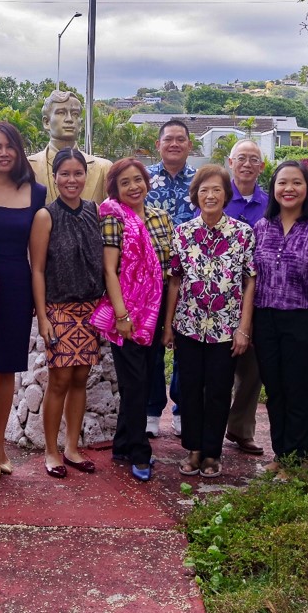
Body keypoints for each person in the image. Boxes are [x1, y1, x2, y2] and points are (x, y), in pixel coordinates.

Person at [162, 164, 256, 478]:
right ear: (196, 195)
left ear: (226, 194)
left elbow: (249, 281)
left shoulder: (243, 234)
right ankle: (194, 450)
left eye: (216, 189)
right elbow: (174, 280)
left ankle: (213, 453)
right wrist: (168, 326)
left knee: (218, 389)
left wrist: (244, 327)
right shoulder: (183, 233)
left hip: (226, 329)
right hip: (188, 325)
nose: (210, 195)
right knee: (189, 388)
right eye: (204, 190)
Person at [253, 161, 308, 470]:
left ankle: (299, 458)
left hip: (304, 320)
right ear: (273, 189)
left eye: (297, 183)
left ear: (307, 190)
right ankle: (282, 454)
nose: (289, 189)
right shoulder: (261, 228)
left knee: (300, 389)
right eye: (282, 183)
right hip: (265, 319)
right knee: (275, 390)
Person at [0, 121, 47, 478]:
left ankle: (1, 440)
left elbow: (38, 259)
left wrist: (38, 302)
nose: (3, 153)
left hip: (17, 285)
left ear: (19, 151)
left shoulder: (36, 192)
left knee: (8, 370)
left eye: (9, 147)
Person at [95, 158, 174, 482]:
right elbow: (110, 270)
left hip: (155, 310)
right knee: (136, 383)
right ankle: (140, 452)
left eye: (137, 180)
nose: (133, 187)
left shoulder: (160, 218)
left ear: (147, 181)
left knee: (143, 378)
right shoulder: (114, 217)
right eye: (125, 182)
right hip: (127, 313)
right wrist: (122, 315)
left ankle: (123, 443)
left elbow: (168, 271)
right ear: (115, 188)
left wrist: (167, 322)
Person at [28, 147, 105, 478]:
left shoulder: (94, 210)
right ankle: (51, 451)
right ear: (54, 177)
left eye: (77, 173)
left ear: (85, 177)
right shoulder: (46, 216)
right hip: (59, 308)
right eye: (65, 174)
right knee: (59, 379)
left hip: (91, 309)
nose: (71, 180)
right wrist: (43, 317)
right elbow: (38, 270)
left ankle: (73, 447)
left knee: (80, 379)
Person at [144, 119, 197, 439]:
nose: (174, 144)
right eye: (169, 139)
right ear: (158, 145)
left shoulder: (200, 180)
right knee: (151, 345)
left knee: (185, 346)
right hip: (151, 277)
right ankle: (151, 409)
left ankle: (181, 407)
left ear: (190, 145)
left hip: (192, 278)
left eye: (181, 139)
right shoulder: (144, 179)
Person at [222, 139, 270, 456]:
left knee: (253, 370)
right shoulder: (218, 195)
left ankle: (240, 429)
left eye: (254, 159)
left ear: (262, 166)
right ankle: (206, 427)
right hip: (218, 297)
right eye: (242, 158)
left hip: (260, 295)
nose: (247, 164)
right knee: (216, 367)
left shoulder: (272, 202)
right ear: (230, 162)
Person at [27, 90, 111, 204]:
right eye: (61, 112)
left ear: (80, 124)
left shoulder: (103, 168)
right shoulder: (28, 167)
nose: (69, 119)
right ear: (46, 122)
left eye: (75, 114)